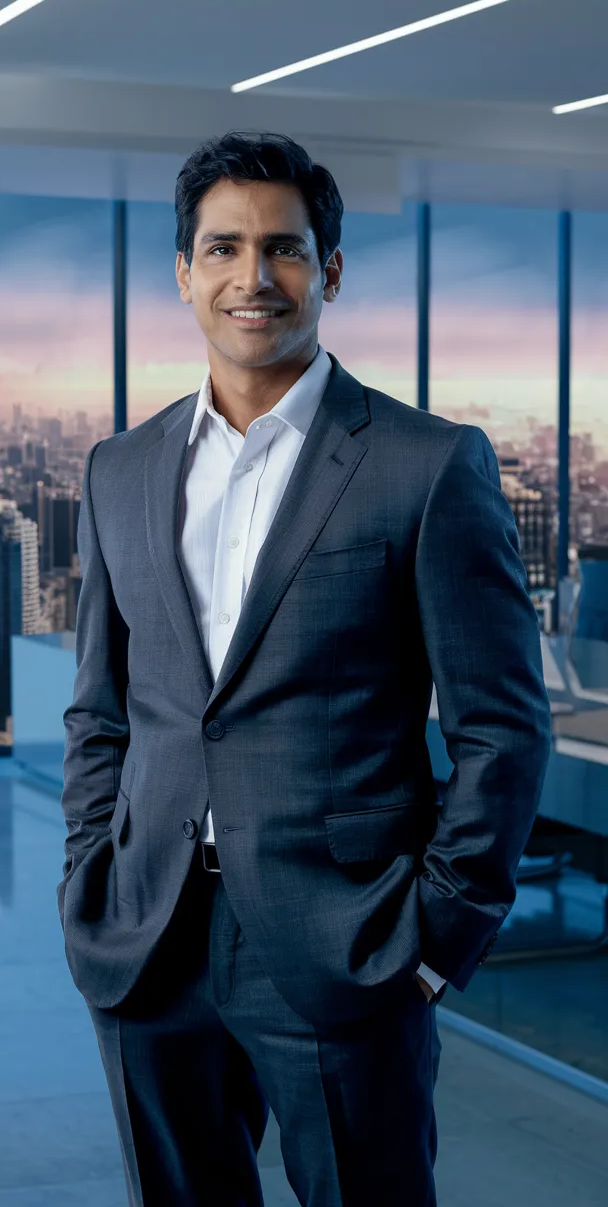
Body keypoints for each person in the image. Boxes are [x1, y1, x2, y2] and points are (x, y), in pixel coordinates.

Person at [57, 131, 552, 1206]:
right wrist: (86, 883)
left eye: (282, 249)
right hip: (146, 939)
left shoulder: (423, 464)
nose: (252, 277)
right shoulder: (119, 469)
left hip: (351, 945)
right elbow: (101, 710)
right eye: (222, 248)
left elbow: (501, 729)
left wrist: (436, 938)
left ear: (327, 271)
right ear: (183, 273)